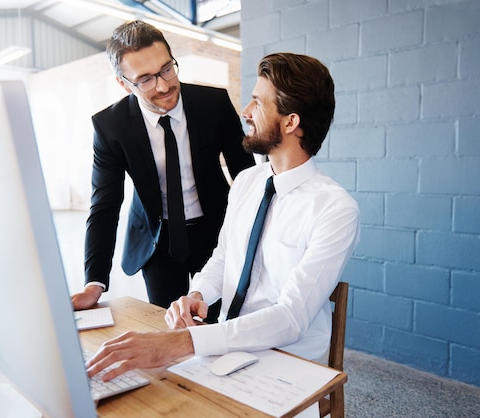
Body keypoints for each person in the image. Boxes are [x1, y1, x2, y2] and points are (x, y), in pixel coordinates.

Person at [86, 52, 360, 382]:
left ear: (291, 122)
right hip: (226, 344)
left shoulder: (335, 210)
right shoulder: (247, 182)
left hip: (287, 363)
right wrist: (197, 294)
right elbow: (224, 257)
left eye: (258, 103)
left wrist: (184, 343)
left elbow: (291, 317)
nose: (245, 112)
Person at [71, 20, 255, 314]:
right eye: (145, 79)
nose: (164, 85)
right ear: (123, 83)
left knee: (219, 322)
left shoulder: (214, 104)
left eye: (167, 69)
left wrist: (256, 237)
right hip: (157, 241)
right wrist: (94, 281)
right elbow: (104, 207)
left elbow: (247, 177)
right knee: (167, 324)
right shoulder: (110, 127)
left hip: (217, 233)